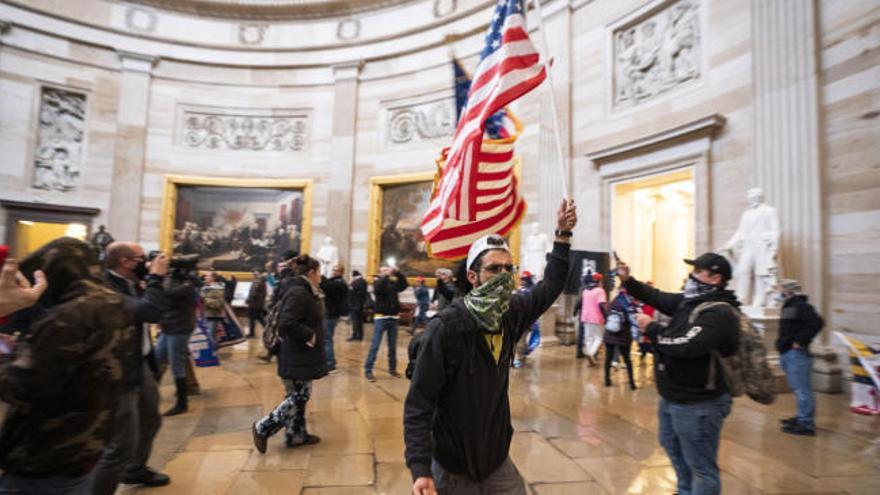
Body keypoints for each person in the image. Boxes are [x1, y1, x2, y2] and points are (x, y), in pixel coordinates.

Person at [405, 199, 577, 495]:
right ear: (473, 277)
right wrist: (420, 469)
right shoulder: (445, 328)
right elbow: (419, 403)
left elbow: (550, 286)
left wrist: (562, 236)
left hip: (496, 461)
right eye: (493, 269)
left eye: (508, 269)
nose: (503, 276)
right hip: (451, 467)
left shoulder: (511, 314)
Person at [0, 238, 133, 495]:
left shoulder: (68, 316)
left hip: (44, 452)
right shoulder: (115, 304)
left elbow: (20, 387)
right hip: (85, 445)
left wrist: (4, 354)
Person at [619, 253, 740, 495]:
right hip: (674, 396)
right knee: (672, 447)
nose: (691, 276)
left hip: (699, 403)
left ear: (715, 278)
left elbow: (685, 344)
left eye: (697, 272)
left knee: (702, 467)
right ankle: (685, 490)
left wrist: (650, 328)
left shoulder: (719, 313)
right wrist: (628, 280)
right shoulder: (690, 302)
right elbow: (656, 296)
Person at [92, 242, 171, 492]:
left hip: (139, 360)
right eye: (141, 258)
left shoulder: (130, 281)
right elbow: (150, 312)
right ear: (125, 262)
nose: (147, 263)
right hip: (117, 368)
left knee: (150, 420)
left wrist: (154, 283)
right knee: (121, 443)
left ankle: (135, 469)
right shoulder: (105, 286)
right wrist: (156, 277)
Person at [252, 255, 327, 452]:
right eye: (319, 272)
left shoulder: (301, 289)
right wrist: (309, 335)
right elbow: (287, 322)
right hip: (296, 353)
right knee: (299, 396)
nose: (321, 276)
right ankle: (263, 427)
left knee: (299, 394)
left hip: (299, 354)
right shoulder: (298, 292)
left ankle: (296, 434)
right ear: (311, 273)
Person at [776, 279, 824, 436]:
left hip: (797, 354)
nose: (778, 291)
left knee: (802, 390)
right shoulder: (790, 305)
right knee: (798, 389)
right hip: (788, 352)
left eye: (780, 289)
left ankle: (806, 424)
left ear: (788, 291)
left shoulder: (801, 305)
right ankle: (801, 417)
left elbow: (817, 322)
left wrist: (800, 341)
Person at [156, 270, 198, 416]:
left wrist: (157, 278)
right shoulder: (176, 282)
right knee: (157, 359)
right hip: (169, 326)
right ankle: (150, 395)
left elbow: (169, 293)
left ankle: (182, 403)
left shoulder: (186, 285)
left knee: (177, 365)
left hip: (179, 328)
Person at [365, 265, 408, 382]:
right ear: (380, 273)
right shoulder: (378, 282)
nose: (386, 272)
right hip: (381, 318)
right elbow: (379, 288)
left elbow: (404, 285)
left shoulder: (392, 283)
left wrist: (398, 272)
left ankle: (392, 369)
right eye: (383, 270)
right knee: (375, 346)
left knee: (392, 346)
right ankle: (368, 370)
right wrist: (386, 275)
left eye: (387, 270)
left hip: (393, 318)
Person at [602, 286, 637, 390]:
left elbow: (607, 314)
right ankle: (632, 383)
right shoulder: (628, 304)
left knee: (608, 358)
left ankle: (607, 380)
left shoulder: (613, 301)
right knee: (627, 360)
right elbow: (632, 320)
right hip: (623, 337)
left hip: (609, 335)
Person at [320, 264, 349, 373]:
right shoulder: (334, 282)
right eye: (333, 269)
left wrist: (321, 276)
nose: (333, 271)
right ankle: (328, 362)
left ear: (341, 272)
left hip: (331, 315)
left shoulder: (340, 284)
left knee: (327, 339)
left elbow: (326, 286)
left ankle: (330, 364)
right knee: (326, 338)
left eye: (336, 270)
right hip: (330, 314)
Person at [575, 272, 606, 366]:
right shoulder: (600, 291)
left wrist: (575, 311)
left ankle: (591, 360)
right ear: (600, 280)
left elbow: (580, 303)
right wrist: (606, 316)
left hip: (585, 317)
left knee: (589, 338)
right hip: (596, 318)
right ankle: (591, 353)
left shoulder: (585, 291)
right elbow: (601, 305)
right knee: (598, 338)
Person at [512, 271, 538, 369]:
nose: (522, 281)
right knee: (516, 341)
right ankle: (516, 358)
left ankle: (520, 359)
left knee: (520, 342)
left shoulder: (531, 291)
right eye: (521, 279)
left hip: (526, 321)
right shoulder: (521, 290)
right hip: (517, 320)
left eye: (524, 279)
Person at [201, 272, 226, 344]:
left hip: (213, 315)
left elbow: (218, 304)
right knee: (209, 336)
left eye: (207, 276)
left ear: (213, 278)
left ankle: (212, 353)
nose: (205, 277)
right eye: (205, 276)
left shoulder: (218, 289)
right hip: (206, 314)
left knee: (210, 336)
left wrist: (204, 299)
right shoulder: (205, 287)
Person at [246, 269, 268, 339]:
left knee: (252, 318)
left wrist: (248, 300)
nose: (253, 275)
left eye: (254, 274)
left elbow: (253, 293)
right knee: (259, 318)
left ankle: (251, 333)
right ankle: (268, 330)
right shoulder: (261, 281)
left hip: (254, 304)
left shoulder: (257, 281)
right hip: (258, 304)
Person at [348, 270, 368, 341]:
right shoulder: (363, 281)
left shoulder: (357, 282)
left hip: (356, 304)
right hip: (359, 304)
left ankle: (356, 335)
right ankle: (359, 335)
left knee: (355, 321)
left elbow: (354, 291)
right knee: (358, 321)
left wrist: (350, 286)